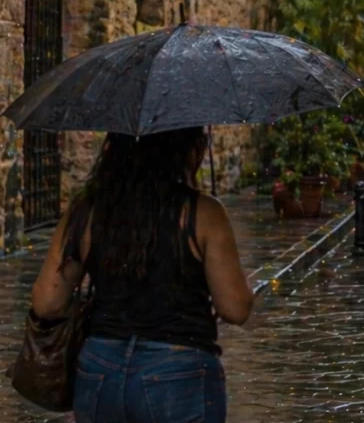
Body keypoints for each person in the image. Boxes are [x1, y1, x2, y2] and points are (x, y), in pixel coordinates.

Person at [30, 128, 253, 422]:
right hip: (179, 369)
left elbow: (46, 302)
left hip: (100, 368)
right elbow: (235, 309)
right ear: (185, 150)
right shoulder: (203, 213)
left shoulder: (87, 210)